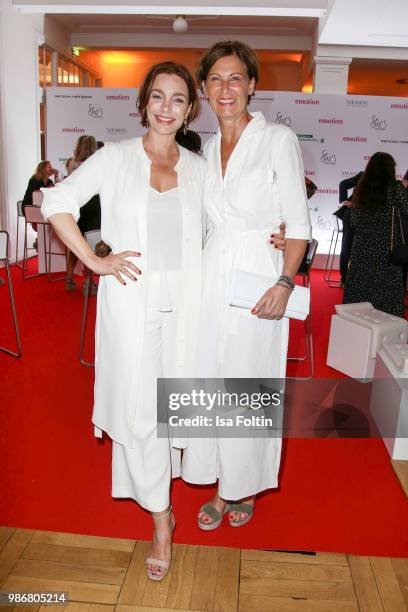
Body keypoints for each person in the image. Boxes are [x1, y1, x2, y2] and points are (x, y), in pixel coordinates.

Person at [41, 61, 205, 580]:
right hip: (131, 309)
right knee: (138, 417)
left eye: (177, 99)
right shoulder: (114, 159)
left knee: (169, 415)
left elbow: (224, 227)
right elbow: (56, 202)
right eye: (158, 97)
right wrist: (93, 261)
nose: (165, 108)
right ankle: (161, 521)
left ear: (189, 110)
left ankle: (161, 507)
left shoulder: (200, 169)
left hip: (186, 311)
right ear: (143, 102)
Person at [180, 41, 311, 528]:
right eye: (215, 79)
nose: (225, 88)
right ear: (205, 91)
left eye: (235, 78)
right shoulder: (206, 149)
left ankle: (246, 487)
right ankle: (218, 481)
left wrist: (284, 280)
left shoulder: (278, 139)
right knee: (211, 377)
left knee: (249, 384)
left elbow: (299, 224)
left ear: (252, 85)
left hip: (259, 278)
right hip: (212, 278)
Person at [343, 152, 408, 317]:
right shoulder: (396, 189)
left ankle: (358, 336)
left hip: (361, 252)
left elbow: (354, 221)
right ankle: (385, 339)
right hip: (386, 252)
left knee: (359, 298)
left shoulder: (361, 188)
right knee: (386, 303)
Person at [64, 135, 101, 294]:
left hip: (77, 208)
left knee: (75, 244)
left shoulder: (72, 165)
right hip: (93, 208)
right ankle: (88, 282)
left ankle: (69, 278)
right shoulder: (97, 164)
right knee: (90, 246)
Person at [22, 160, 59, 249]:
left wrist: (56, 177)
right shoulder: (34, 179)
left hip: (42, 208)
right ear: (43, 169)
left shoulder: (50, 181)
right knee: (45, 220)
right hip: (30, 207)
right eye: (49, 167)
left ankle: (40, 240)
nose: (51, 168)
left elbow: (55, 193)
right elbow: (34, 195)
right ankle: (40, 240)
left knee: (52, 216)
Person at [335, 172, 363, 285]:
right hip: (352, 215)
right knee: (347, 246)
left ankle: (354, 278)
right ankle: (344, 278)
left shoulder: (383, 180)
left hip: (366, 218)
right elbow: (343, 184)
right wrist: (344, 200)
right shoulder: (363, 175)